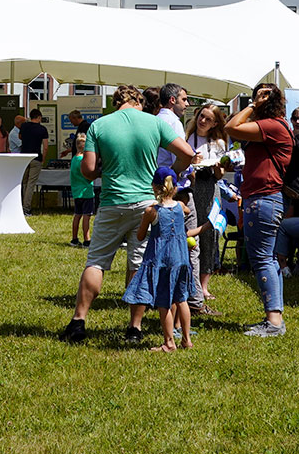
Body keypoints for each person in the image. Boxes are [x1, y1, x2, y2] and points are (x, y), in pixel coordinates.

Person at [57, 85, 192, 344]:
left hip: (112, 202)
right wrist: (168, 175)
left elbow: (87, 170)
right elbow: (187, 153)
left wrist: (103, 171)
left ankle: (78, 321)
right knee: (138, 265)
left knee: (96, 262)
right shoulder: (154, 123)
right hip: (145, 204)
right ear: (139, 101)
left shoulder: (99, 126)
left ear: (116, 102)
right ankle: (134, 328)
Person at [225, 82, 297, 338]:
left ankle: (274, 322)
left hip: (264, 198)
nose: (256, 101)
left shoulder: (272, 126)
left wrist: (253, 106)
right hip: (265, 198)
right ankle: (275, 317)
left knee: (262, 259)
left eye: (260, 97)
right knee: (268, 259)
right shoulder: (274, 127)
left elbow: (231, 127)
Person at [122, 168, 198, 351]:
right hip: (181, 259)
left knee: (164, 303)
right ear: (174, 188)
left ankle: (169, 342)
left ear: (154, 187)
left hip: (162, 262)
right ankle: (186, 340)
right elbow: (187, 210)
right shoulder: (180, 207)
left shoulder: (151, 211)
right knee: (182, 300)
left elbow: (140, 236)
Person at [150, 84, 208, 322]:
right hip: (178, 190)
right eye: (184, 99)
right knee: (189, 247)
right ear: (172, 100)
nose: (187, 104)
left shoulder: (154, 120)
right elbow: (183, 157)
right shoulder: (172, 122)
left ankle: (166, 298)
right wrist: (180, 174)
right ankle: (192, 299)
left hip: (160, 189)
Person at [187, 104, 230, 293]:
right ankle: (191, 279)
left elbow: (220, 176)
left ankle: (204, 285)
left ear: (215, 124)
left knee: (210, 235)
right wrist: (191, 162)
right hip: (192, 187)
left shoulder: (218, 144)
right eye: (201, 116)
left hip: (210, 189)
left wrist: (218, 168)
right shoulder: (187, 138)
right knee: (190, 231)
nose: (202, 121)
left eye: (208, 119)